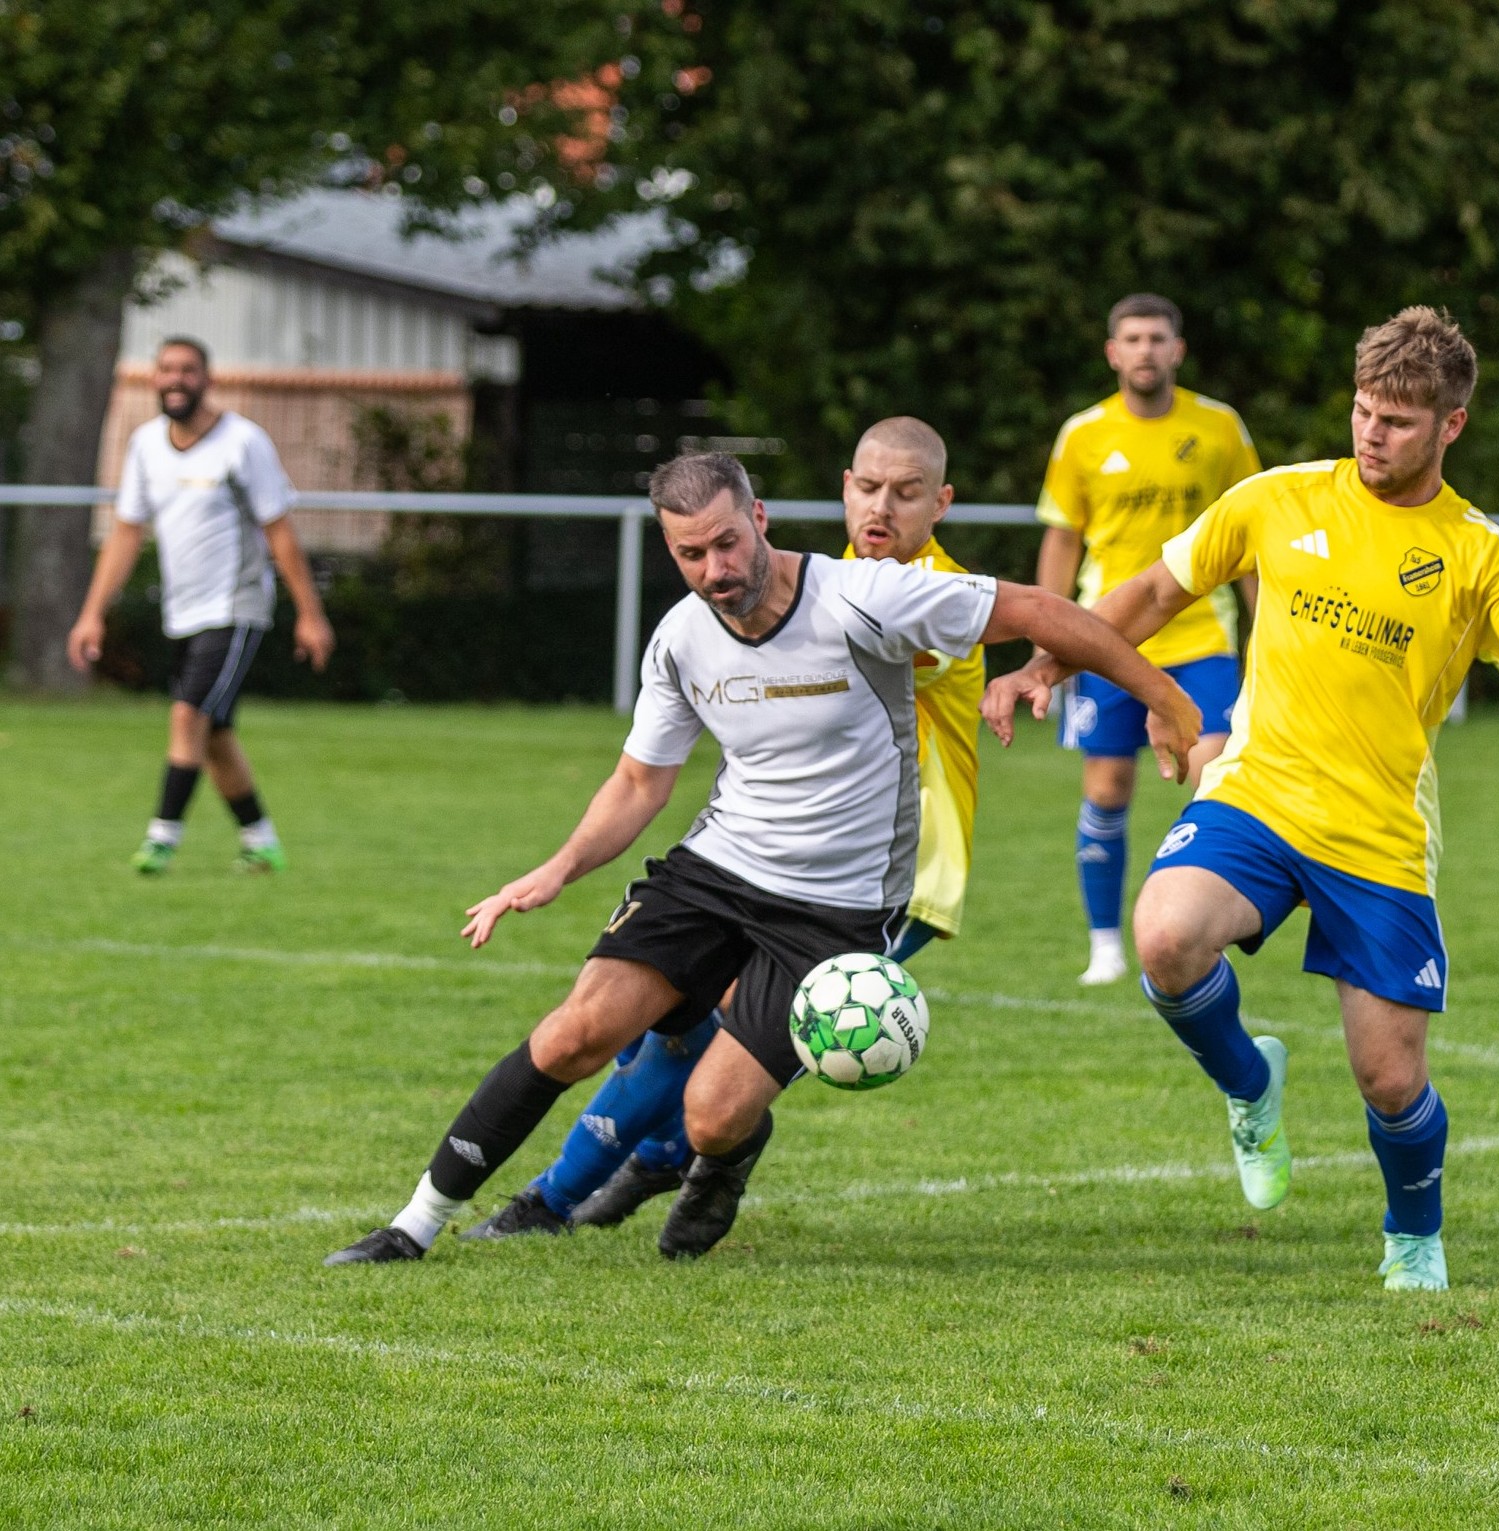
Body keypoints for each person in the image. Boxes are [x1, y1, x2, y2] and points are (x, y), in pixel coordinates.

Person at [327, 450, 1198, 1266]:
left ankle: (722, 1156)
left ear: (760, 518)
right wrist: (555, 870)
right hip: (717, 870)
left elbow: (1040, 610)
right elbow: (639, 782)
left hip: (839, 904)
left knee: (710, 1114)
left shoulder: (862, 597)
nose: (715, 569)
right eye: (690, 553)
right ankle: (413, 1226)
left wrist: (1161, 695)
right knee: (574, 1033)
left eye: (727, 542)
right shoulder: (681, 638)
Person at [986, 307, 1499, 1292]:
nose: (1372, 434)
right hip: (1256, 794)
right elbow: (1153, 592)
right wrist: (1047, 661)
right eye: (1364, 411)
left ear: (1451, 425)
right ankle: (1251, 1083)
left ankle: (1412, 1235)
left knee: (1390, 1078)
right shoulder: (1276, 498)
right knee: (1164, 936)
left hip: (1377, 834)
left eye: (1398, 421)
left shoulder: (1483, 556)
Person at [465, 417, 988, 1238]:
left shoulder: (921, 592)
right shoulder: (824, 580)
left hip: (892, 871)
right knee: (666, 1032)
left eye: (906, 492)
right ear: (844, 488)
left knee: (702, 1047)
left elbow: (1023, 620)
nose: (880, 508)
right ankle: (656, 1160)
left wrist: (1046, 663)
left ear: (941, 504)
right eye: (867, 487)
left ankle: (574, 1191)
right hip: (779, 860)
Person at [1037, 293, 1262, 985]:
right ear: (1113, 352)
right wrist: (1049, 635)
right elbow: (1063, 537)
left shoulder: (1219, 427)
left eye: (1157, 338)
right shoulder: (1083, 434)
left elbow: (1251, 538)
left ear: (1177, 350)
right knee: (1108, 787)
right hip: (1107, 635)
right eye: (1132, 338)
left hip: (1201, 634)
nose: (1145, 350)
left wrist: (1267, 632)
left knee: (1213, 773)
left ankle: (1189, 921)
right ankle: (1106, 944)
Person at [66, 337, 336, 873]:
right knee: (212, 734)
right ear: (154, 378)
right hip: (182, 610)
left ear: (207, 380)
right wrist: (92, 613)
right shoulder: (146, 444)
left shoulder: (243, 442)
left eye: (188, 370)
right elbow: (126, 533)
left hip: (235, 606)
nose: (176, 379)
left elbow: (279, 532)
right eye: (166, 369)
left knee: (188, 714)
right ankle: (260, 842)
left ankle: (161, 838)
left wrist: (310, 614)